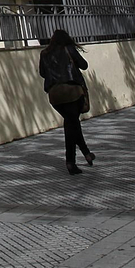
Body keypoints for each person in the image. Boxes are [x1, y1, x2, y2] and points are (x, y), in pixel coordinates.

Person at [39, 29, 95, 175]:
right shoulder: (68, 49)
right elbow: (84, 65)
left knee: (71, 123)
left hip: (55, 96)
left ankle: (87, 154)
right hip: (72, 93)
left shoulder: (44, 53)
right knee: (71, 127)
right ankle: (71, 162)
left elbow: (42, 73)